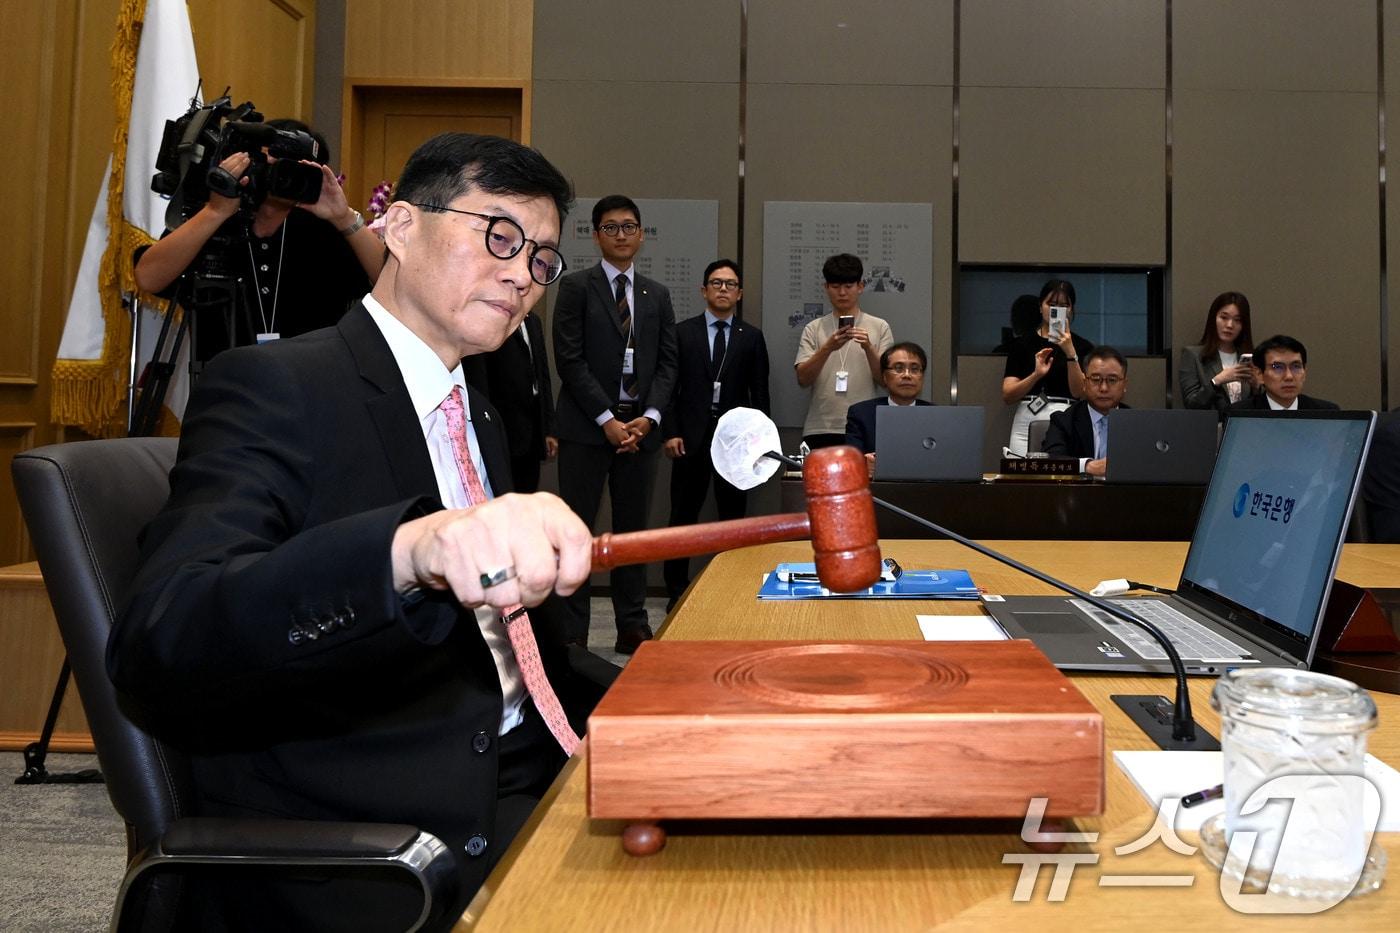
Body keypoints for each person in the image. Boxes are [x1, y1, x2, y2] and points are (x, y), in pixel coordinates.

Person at [111, 133, 606, 930]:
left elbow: (519, 648)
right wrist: (405, 551)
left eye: (542, 259)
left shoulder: (474, 406)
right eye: (499, 236)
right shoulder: (274, 385)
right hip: (389, 832)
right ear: (401, 228)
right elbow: (163, 632)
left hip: (530, 760)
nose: (522, 275)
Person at [133, 119, 385, 361]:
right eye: (280, 165)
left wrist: (344, 218)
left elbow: (391, 283)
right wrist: (215, 211)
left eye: (301, 169)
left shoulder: (324, 231)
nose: (288, 177)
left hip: (311, 386)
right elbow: (148, 277)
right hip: (223, 387)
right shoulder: (217, 220)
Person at [552, 195, 678, 653]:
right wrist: (606, 418)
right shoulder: (574, 288)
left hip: (641, 432)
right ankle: (572, 632)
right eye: (611, 227)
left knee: (633, 533)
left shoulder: (656, 295)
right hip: (587, 430)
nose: (621, 235)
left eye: (629, 227)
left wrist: (650, 417)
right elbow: (569, 359)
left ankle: (631, 623)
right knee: (578, 532)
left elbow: (668, 365)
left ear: (641, 234)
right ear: (595, 235)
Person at [661, 260, 771, 608]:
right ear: (704, 290)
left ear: (739, 293)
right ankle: (675, 589)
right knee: (682, 515)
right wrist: (671, 432)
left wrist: (760, 444)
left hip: (736, 445)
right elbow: (669, 388)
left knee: (732, 518)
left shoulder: (751, 337)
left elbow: (760, 393)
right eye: (716, 283)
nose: (723, 289)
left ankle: (731, 586)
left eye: (730, 284)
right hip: (689, 439)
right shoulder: (682, 333)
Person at [794, 253, 894, 448]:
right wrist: (828, 348)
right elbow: (803, 379)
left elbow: (886, 381)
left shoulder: (879, 326)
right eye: (835, 286)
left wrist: (868, 348)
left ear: (860, 286)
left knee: (865, 479)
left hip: (865, 424)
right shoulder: (814, 328)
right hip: (820, 426)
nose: (842, 293)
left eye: (848, 286)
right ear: (826, 288)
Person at [1001, 278, 1095, 456]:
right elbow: (1008, 395)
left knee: (1065, 477)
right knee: (1022, 476)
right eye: (1051, 303)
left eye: (1063, 305)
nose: (1056, 310)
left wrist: (1070, 353)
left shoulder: (1082, 346)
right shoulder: (1022, 344)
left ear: (1071, 309)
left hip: (1067, 416)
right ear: (1040, 306)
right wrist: (1036, 375)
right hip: (1028, 415)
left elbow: (1081, 392)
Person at [477, 308, 557, 492]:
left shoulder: (533, 321)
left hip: (533, 433)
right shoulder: (491, 320)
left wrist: (549, 429)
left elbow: (543, 376)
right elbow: (482, 381)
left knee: (528, 494)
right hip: (504, 430)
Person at [844, 341, 933, 475]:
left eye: (915, 369)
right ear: (885, 377)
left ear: (922, 377)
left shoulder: (935, 415)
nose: (907, 375)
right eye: (898, 368)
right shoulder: (861, 414)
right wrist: (864, 465)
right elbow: (850, 463)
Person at [1043, 346, 1130, 477]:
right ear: (1084, 383)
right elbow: (1051, 460)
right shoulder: (1063, 420)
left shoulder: (1136, 422)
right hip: (1077, 495)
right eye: (1096, 379)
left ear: (1124, 385)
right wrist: (1088, 466)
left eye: (1112, 380)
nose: (1103, 388)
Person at [1178, 291, 1257, 414]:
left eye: (1237, 320)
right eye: (1224, 317)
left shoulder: (1250, 358)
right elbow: (1192, 404)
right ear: (1213, 318)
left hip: (1244, 428)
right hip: (1209, 429)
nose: (1230, 325)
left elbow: (1261, 406)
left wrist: (1256, 386)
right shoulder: (1193, 355)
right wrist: (1217, 381)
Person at [1229, 334, 1339, 411]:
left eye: (1296, 367)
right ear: (1260, 375)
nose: (1289, 376)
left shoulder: (1326, 413)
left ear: (1305, 372)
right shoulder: (1240, 415)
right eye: (1278, 367)